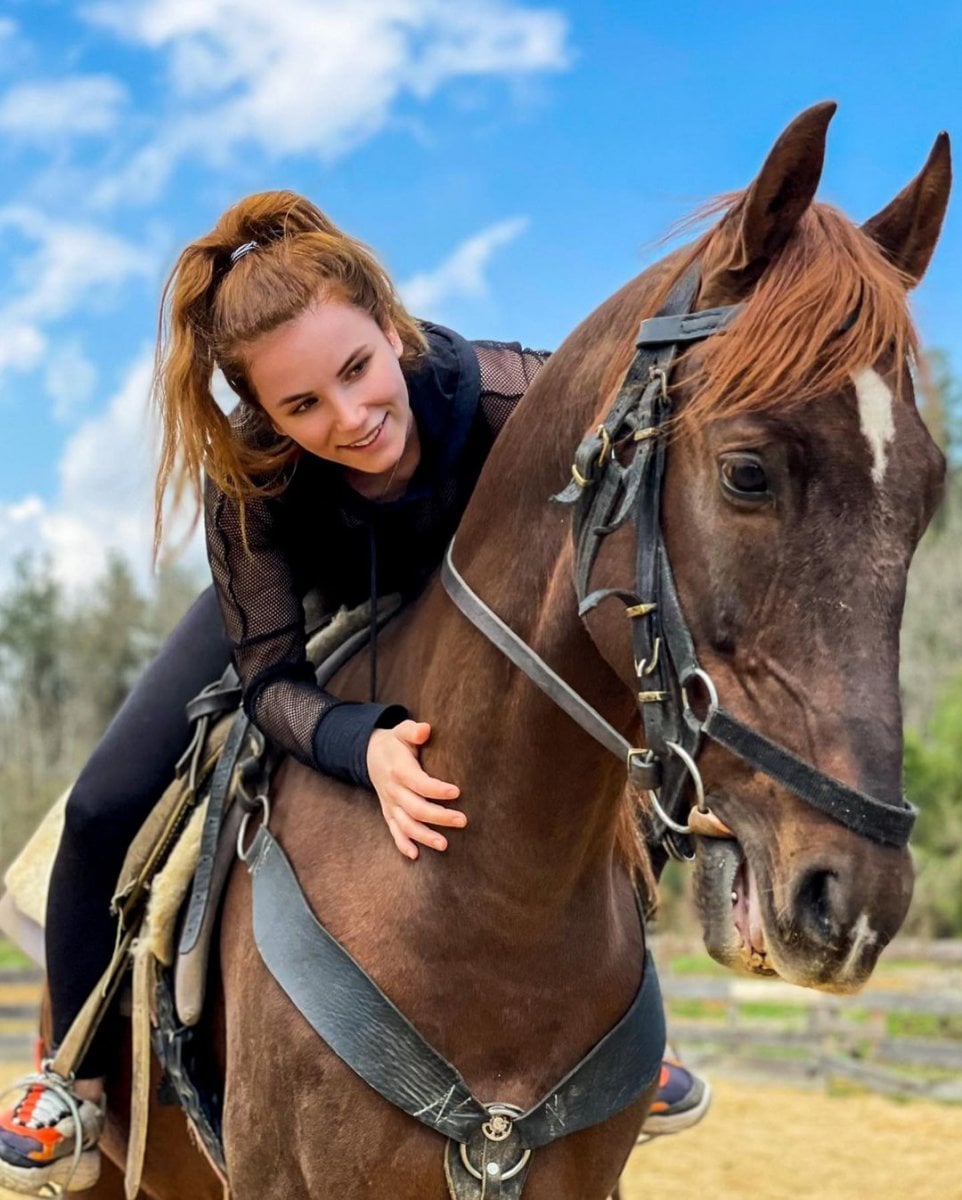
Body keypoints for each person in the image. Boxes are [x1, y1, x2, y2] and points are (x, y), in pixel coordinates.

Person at [0, 191, 709, 1194]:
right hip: (297, 611)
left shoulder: (517, 400)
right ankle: (71, 1080)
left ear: (391, 326)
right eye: (301, 407)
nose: (348, 419)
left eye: (356, 371)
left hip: (475, 613)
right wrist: (358, 742)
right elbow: (269, 679)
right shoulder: (250, 474)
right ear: (263, 411)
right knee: (105, 799)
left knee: (593, 743)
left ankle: (618, 1034)